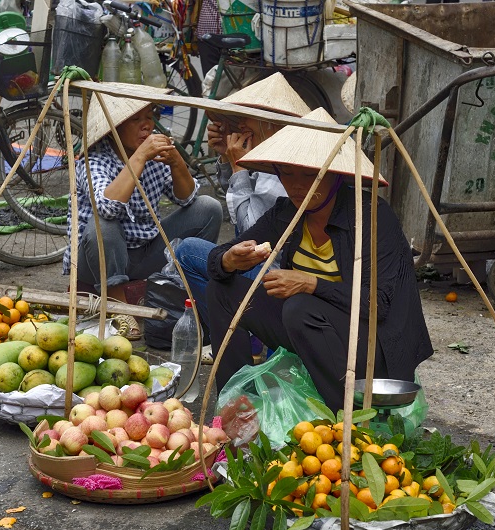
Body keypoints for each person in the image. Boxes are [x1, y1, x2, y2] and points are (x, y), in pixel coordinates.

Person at [206, 108, 434, 411]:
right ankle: (237, 409)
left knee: (300, 307)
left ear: (335, 176)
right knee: (221, 292)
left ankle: (346, 416)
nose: (298, 185)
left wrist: (311, 283)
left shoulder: (369, 216)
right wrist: (230, 260)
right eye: (287, 173)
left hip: (372, 346)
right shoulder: (285, 213)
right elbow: (216, 258)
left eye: (310, 175)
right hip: (311, 329)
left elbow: (377, 305)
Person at [174, 73, 310, 341]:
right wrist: (227, 156)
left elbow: (254, 234)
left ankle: (240, 335)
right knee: (198, 256)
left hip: (278, 268)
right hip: (265, 262)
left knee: (198, 256)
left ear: (270, 124)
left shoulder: (283, 169)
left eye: (243, 121)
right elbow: (239, 203)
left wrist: (238, 167)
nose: (239, 128)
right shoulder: (267, 154)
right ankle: (239, 334)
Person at [62, 83, 223, 303]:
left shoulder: (152, 149)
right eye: (135, 120)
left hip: (144, 252)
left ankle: (186, 284)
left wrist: (177, 163)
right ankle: (117, 303)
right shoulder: (94, 160)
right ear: (115, 127)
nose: (146, 126)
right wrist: (139, 157)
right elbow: (108, 208)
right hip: (97, 262)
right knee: (104, 226)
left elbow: (187, 198)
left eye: (149, 117)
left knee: (208, 207)